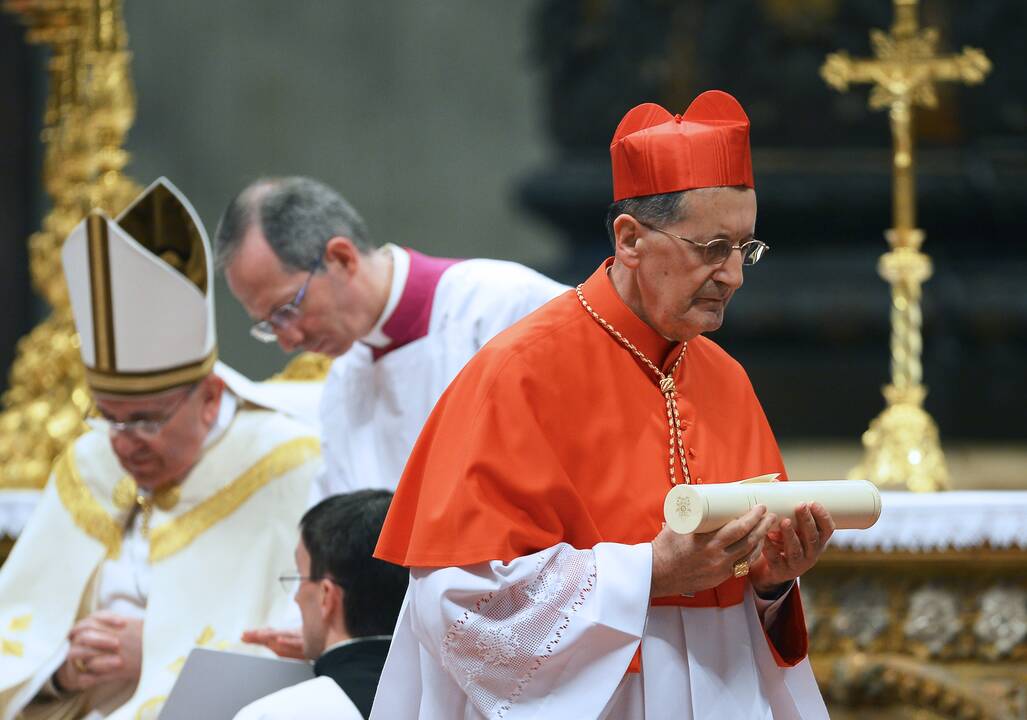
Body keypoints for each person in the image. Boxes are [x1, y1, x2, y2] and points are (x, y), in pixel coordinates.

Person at [371, 91, 834, 719]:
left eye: (745, 247)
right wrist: (648, 573)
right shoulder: (519, 373)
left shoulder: (726, 378)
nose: (735, 275)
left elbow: (742, 610)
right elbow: (460, 606)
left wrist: (774, 581)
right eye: (711, 248)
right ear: (630, 238)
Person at [0, 179, 323, 720]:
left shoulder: (287, 466)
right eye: (109, 416)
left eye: (147, 419)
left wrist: (156, 652)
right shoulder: (90, 460)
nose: (125, 442)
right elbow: (19, 625)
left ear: (210, 396)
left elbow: (301, 645)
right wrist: (59, 672)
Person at [214, 176, 567, 501]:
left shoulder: (502, 307)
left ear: (341, 258)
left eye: (286, 310)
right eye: (268, 324)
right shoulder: (342, 382)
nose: (287, 340)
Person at [234, 490, 406, 720]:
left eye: (300, 577)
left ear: (326, 595)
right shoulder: (456, 699)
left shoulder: (277, 715)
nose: (296, 598)